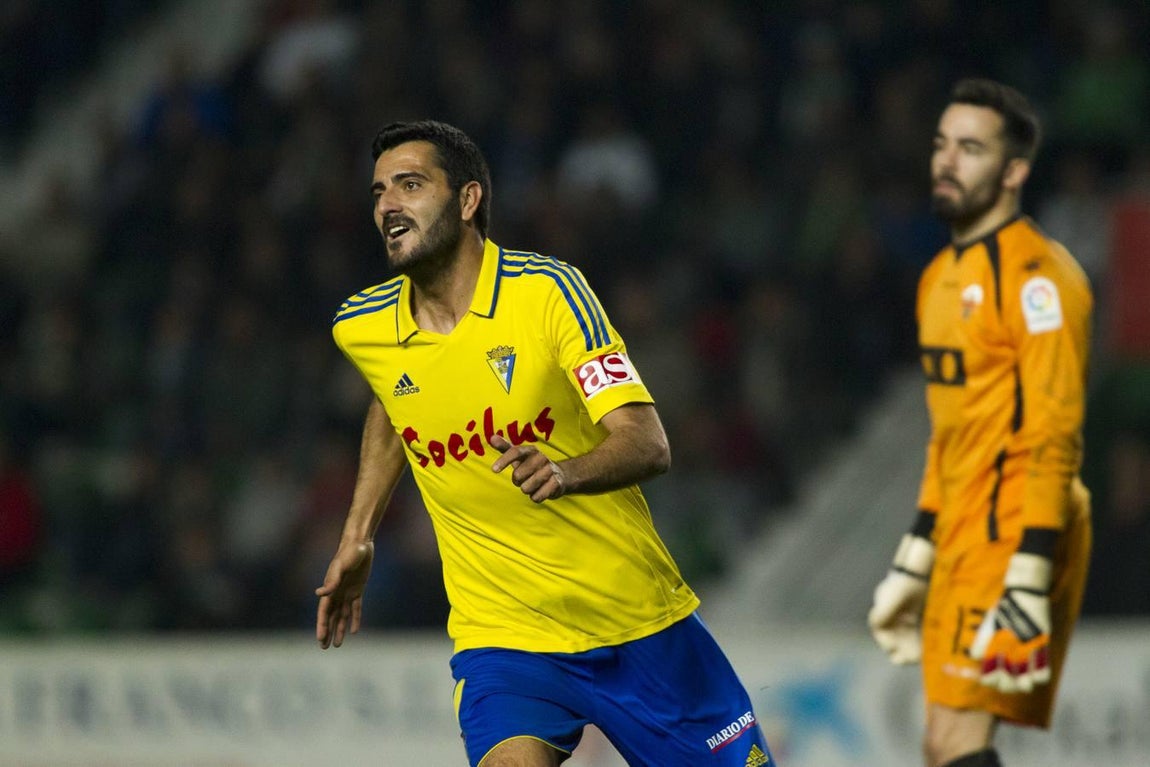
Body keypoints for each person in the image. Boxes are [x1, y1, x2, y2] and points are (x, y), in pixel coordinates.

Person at [314, 120, 774, 767]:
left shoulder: (548, 293)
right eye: (379, 191)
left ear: (468, 199)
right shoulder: (363, 325)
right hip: (503, 637)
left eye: (410, 184)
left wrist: (565, 472)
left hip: (633, 623)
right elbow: (392, 401)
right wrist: (358, 533)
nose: (388, 204)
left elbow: (647, 441)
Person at [867, 79, 1093, 767]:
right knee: (942, 745)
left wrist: (1030, 565)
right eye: (942, 144)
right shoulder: (937, 278)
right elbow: (950, 434)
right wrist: (916, 555)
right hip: (962, 532)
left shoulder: (1039, 280)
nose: (946, 161)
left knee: (957, 740)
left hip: (1016, 528)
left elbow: (1054, 429)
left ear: (1014, 171)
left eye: (971, 148)